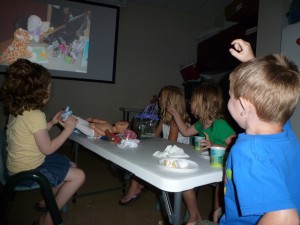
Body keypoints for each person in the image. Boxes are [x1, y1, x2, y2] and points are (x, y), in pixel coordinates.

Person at [216, 40, 300, 225]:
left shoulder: (249, 152)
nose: (227, 100)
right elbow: (268, 94)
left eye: (230, 96)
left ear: (245, 105)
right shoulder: (282, 128)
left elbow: (285, 218)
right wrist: (249, 61)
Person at [0, 59, 86, 225]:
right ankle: (47, 219)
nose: (50, 92)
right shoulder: (36, 115)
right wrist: (67, 130)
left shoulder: (18, 110)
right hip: (28, 171)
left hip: (19, 165)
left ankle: (46, 201)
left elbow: (32, 133)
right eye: (48, 88)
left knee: (71, 165)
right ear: (38, 92)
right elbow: (48, 149)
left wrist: (52, 123)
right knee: (79, 176)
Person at [167, 83, 237, 225]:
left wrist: (214, 145)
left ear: (202, 103)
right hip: (208, 163)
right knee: (185, 175)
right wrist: (175, 114)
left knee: (220, 187)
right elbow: (185, 131)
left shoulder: (220, 125)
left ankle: (217, 217)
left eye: (192, 101)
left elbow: (236, 146)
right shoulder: (201, 124)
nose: (189, 103)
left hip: (225, 167)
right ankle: (195, 215)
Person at [119, 86, 191, 205]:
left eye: (162, 96)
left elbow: (170, 145)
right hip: (167, 150)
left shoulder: (175, 121)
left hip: (177, 157)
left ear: (169, 101)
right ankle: (138, 185)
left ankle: (137, 186)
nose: (159, 98)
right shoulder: (165, 118)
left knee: (142, 159)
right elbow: (155, 135)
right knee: (139, 153)